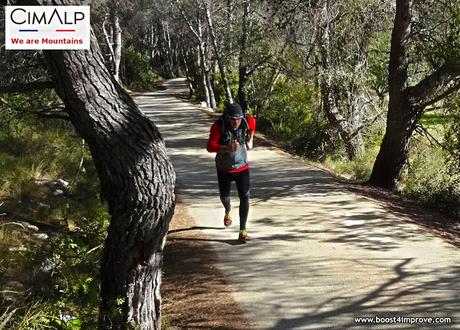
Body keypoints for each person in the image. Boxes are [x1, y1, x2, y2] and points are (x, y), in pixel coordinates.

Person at [207, 103, 256, 242]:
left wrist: (250, 139)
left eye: (239, 119)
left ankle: (242, 230)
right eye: (233, 119)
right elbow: (210, 146)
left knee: (245, 196)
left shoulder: (246, 120)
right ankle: (228, 209)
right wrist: (226, 148)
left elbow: (253, 123)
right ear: (227, 117)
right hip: (224, 168)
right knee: (224, 197)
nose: (236, 122)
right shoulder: (218, 126)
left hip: (242, 167)